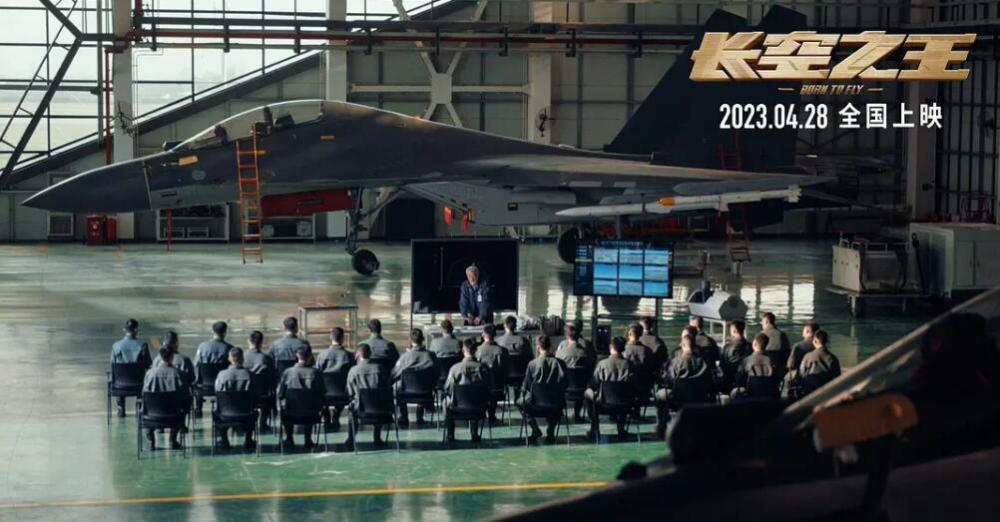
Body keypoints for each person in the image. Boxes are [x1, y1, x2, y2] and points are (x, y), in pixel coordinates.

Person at [655, 326, 715, 438]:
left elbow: (668, 380)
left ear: (683, 345)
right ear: (694, 345)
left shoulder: (675, 362)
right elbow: (709, 380)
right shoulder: (705, 361)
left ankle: (661, 426)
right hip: (699, 398)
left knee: (659, 396)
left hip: (678, 398)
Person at [518, 335, 568, 443]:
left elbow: (526, 386)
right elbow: (565, 384)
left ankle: (535, 429)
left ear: (537, 347)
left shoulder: (532, 364)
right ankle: (551, 429)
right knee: (557, 399)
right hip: (555, 403)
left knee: (519, 403)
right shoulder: (561, 363)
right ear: (550, 346)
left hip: (535, 403)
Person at [443, 338, 493, 443]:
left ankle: (450, 433)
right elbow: (489, 386)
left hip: (457, 406)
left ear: (463, 350)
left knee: (445, 401)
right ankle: (474, 433)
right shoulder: (483, 368)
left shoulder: (455, 369)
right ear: (476, 351)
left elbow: (447, 388)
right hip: (479, 406)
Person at [276, 345, 326, 450]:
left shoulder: (288, 372)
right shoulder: (316, 373)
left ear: (297, 355)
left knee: (286, 408)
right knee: (310, 404)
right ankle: (308, 440)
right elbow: (322, 393)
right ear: (310, 356)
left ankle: (289, 438)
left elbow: (280, 394)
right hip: (311, 415)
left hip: (291, 414)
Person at [584, 337, 634, 439]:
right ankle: (621, 428)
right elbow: (634, 384)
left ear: (611, 347)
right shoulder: (630, 365)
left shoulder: (602, 364)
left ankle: (594, 428)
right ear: (623, 348)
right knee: (624, 394)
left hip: (604, 404)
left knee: (588, 393)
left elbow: (595, 383)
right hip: (625, 404)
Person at [141, 347, 189, 450]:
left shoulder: (149, 374)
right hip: (174, 415)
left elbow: (144, 394)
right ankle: (172, 440)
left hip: (152, 414)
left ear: (160, 356)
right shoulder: (180, 374)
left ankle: (151, 441)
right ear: (172, 357)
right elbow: (186, 396)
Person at [345, 344, 391, 446]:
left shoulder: (353, 371)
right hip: (380, 409)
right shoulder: (380, 368)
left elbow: (350, 392)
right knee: (378, 401)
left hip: (361, 409)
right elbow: (387, 388)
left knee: (352, 407)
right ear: (370, 354)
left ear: (357, 355)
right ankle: (377, 437)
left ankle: (351, 439)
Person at [391, 329, 437, 426]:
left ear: (410, 340)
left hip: (406, 392)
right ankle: (420, 416)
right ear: (423, 339)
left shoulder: (404, 357)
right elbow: (437, 374)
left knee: (397, 387)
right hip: (426, 391)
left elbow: (394, 374)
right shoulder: (431, 356)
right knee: (423, 383)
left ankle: (404, 416)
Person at [214, 347, 256, 449]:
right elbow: (256, 395)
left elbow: (217, 393)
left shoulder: (221, 375)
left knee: (216, 412)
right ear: (243, 359)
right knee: (255, 412)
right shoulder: (250, 375)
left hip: (225, 415)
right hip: (246, 415)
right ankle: (248, 439)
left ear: (229, 359)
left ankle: (224, 440)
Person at [315, 327, 355, 429]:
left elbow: (317, 375)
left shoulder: (322, 355)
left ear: (330, 337)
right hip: (343, 394)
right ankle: (336, 415)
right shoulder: (349, 356)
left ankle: (326, 415)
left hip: (324, 394)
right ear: (343, 338)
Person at [111, 318, 152, 417]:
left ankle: (121, 406)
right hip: (138, 384)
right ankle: (139, 405)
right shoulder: (143, 346)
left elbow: (113, 364)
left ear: (124, 330)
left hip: (120, 384)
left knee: (119, 375)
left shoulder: (116, 346)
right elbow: (148, 364)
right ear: (136, 330)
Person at [555, 322, 595, 421]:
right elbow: (591, 366)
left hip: (564, 388)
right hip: (582, 388)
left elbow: (556, 367)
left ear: (567, 336)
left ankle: (557, 412)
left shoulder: (561, 351)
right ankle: (578, 414)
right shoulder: (585, 353)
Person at [475, 323, 509, 423]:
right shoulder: (502, 351)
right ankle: (492, 415)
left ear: (483, 334)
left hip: (479, 386)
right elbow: (505, 370)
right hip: (497, 387)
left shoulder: (477, 350)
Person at [793, 329, 841, 397]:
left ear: (815, 341)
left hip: (809, 392)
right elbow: (837, 377)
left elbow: (802, 374)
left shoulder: (808, 357)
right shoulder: (833, 358)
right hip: (828, 393)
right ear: (826, 342)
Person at [730, 333, 777, 398]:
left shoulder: (746, 360)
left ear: (754, 344)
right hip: (769, 395)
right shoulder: (772, 361)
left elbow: (738, 380)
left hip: (751, 395)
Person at [719, 320, 752, 392]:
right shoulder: (751, 347)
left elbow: (722, 366)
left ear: (734, 331)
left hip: (729, 383)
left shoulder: (727, 347)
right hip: (746, 383)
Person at [759, 312, 791, 379]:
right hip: (779, 369)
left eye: (762, 321)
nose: (761, 323)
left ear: (767, 322)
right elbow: (788, 352)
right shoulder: (782, 335)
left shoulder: (761, 335)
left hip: (764, 369)